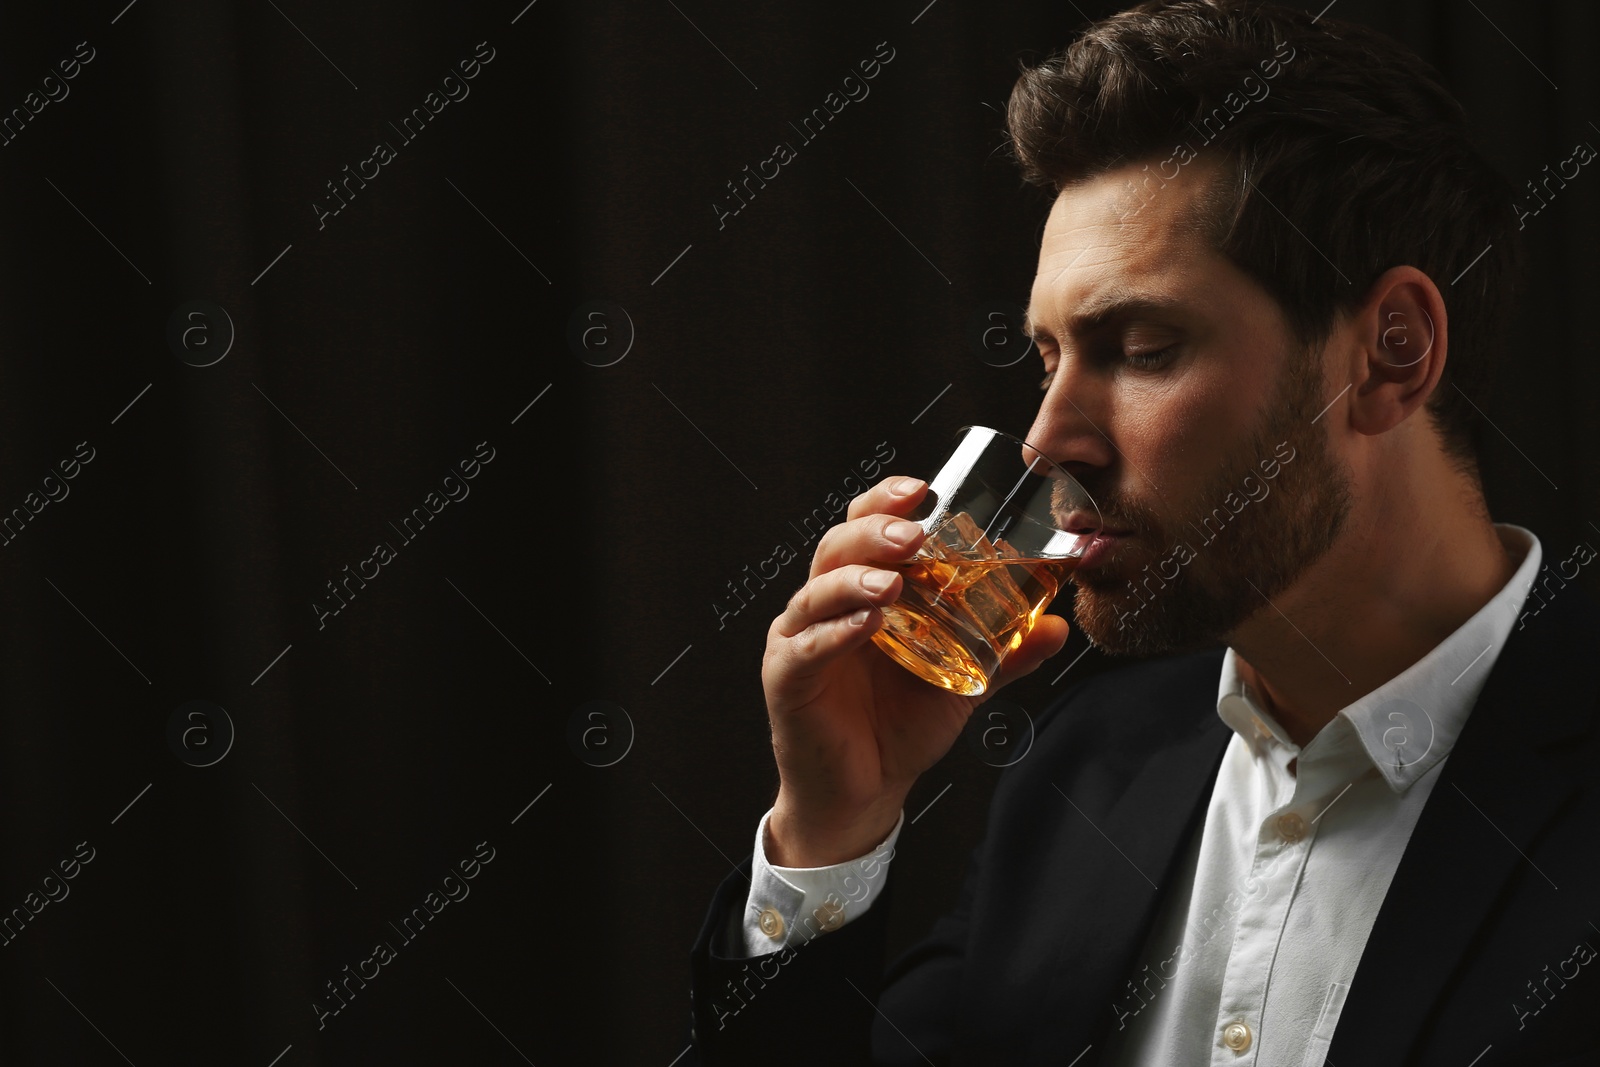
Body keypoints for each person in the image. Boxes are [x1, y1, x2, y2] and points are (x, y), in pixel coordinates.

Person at [686, 1, 1600, 1063]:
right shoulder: (1084, 770)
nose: (1047, 437)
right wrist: (831, 825)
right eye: (1046, 358)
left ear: (1390, 353)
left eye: (1141, 346)